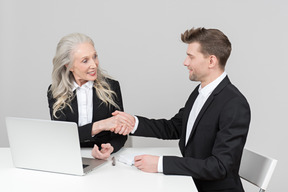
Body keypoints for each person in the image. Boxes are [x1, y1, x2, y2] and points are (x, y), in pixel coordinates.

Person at [112, 27, 251, 192]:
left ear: (211, 61)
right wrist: (132, 123)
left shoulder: (234, 104)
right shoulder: (199, 92)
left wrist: (160, 163)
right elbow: (174, 127)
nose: (185, 62)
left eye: (190, 56)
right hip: (188, 182)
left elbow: (219, 166)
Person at [47, 33, 133, 160]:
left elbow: (120, 133)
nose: (94, 65)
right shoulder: (56, 92)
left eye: (95, 57)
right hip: (70, 156)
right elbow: (62, 136)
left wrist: (111, 147)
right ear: (68, 65)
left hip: (103, 157)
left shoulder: (111, 87)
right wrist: (101, 125)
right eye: (85, 60)